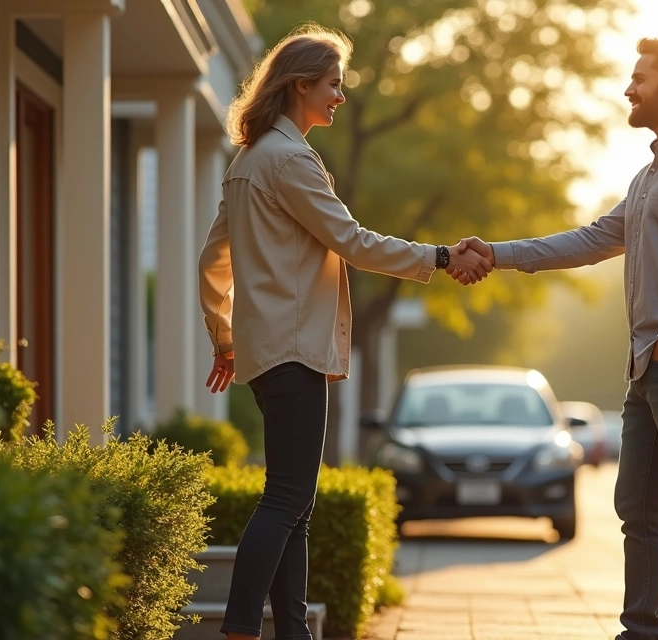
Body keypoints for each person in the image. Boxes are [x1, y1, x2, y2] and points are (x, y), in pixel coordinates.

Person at [197, 23, 491, 640]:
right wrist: (440, 257)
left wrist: (224, 339)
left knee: (294, 502)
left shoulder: (247, 161)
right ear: (300, 85)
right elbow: (353, 242)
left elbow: (212, 262)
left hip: (263, 351)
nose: (340, 97)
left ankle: (292, 630)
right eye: (333, 85)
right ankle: (241, 627)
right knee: (286, 499)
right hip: (296, 350)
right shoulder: (290, 160)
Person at [455, 37, 658, 640]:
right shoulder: (650, 176)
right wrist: (498, 253)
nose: (627, 88)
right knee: (636, 509)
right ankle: (640, 630)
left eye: (639, 77)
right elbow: (589, 239)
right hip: (650, 367)